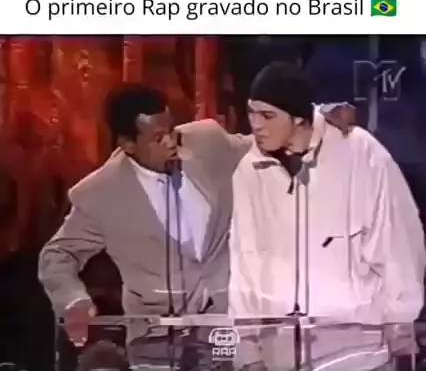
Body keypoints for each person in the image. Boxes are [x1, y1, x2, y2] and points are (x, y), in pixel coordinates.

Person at [38, 83, 354, 370]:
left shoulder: (207, 142)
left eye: (171, 131)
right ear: (128, 144)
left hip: (231, 327)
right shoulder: (101, 194)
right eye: (157, 138)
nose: (171, 143)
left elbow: (263, 143)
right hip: (157, 343)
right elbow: (57, 254)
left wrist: (319, 117)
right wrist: (73, 300)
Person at [228, 62, 426, 370]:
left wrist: (400, 328)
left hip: (358, 356)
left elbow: (397, 246)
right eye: (251, 112)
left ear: (298, 118)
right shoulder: (248, 171)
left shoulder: (361, 154)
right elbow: (245, 264)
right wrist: (248, 350)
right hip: (281, 357)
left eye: (267, 116)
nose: (256, 125)